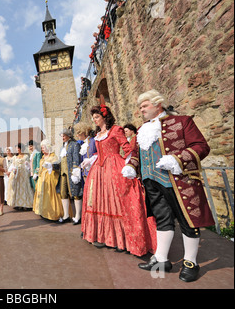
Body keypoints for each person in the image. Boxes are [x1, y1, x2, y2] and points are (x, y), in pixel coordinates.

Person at [123, 89, 214, 282]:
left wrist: (177, 159)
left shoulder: (182, 122)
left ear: (158, 104)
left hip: (178, 181)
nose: (141, 110)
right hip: (151, 182)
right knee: (162, 218)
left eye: (145, 106)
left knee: (187, 219)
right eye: (140, 107)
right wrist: (132, 166)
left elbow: (201, 146)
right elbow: (136, 153)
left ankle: (191, 262)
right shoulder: (141, 130)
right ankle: (161, 259)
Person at [81, 105, 156, 257]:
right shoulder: (98, 134)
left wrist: (130, 165)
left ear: (104, 117)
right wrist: (91, 159)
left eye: (97, 117)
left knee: (117, 202)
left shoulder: (115, 130)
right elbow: (99, 151)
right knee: (100, 201)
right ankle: (102, 236)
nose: (95, 120)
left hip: (114, 167)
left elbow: (128, 148)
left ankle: (122, 240)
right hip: (98, 170)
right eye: (93, 117)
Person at [32, 140, 64, 221]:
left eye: (43, 147)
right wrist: (36, 172)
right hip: (42, 179)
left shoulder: (53, 157)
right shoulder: (43, 157)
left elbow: (58, 167)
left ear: (48, 148)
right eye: (42, 148)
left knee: (50, 195)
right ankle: (43, 212)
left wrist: (51, 166)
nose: (42, 149)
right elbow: (40, 167)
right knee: (42, 195)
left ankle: (52, 213)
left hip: (50, 179)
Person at [74, 122, 97, 225]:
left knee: (93, 199)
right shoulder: (83, 144)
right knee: (87, 199)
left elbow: (98, 155)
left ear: (84, 132)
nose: (77, 136)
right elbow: (83, 159)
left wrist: (91, 160)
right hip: (85, 175)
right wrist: (78, 169)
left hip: (93, 173)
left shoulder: (93, 141)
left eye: (78, 133)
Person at [56, 129, 81, 224]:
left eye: (64, 136)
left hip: (72, 173)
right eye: (61, 136)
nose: (62, 137)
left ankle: (78, 216)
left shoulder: (74, 144)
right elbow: (60, 161)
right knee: (63, 193)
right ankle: (66, 215)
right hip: (63, 173)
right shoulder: (62, 147)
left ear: (69, 135)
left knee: (76, 193)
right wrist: (52, 165)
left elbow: (76, 158)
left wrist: (75, 171)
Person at [6, 143, 34, 210]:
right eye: (16, 148)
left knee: (24, 188)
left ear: (21, 149)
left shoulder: (26, 156)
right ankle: (18, 204)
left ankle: (26, 205)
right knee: (17, 188)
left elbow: (28, 166)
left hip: (24, 175)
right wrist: (10, 171)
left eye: (18, 148)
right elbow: (12, 165)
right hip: (17, 175)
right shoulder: (15, 157)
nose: (17, 150)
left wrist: (28, 168)